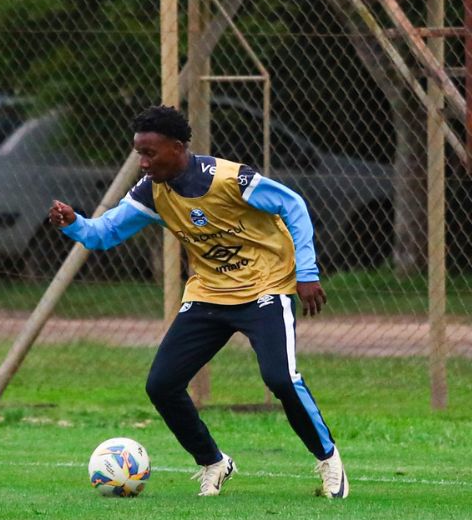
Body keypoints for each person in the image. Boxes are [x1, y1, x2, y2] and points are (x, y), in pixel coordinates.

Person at [48, 105, 347, 499]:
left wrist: (306, 273)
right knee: (162, 385)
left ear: (177, 147)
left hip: (265, 288)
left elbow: (293, 205)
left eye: (150, 153)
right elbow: (104, 233)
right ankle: (213, 462)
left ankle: (328, 460)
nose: (142, 162)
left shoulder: (229, 178)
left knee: (280, 378)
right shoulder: (151, 194)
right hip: (209, 294)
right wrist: (73, 222)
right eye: (138, 153)